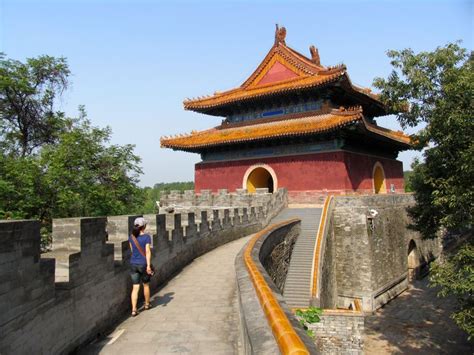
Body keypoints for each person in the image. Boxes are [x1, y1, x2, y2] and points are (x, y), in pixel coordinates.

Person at [129, 217, 153, 316]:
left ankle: (134, 309)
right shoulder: (146, 237)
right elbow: (147, 252)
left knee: (135, 287)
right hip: (143, 264)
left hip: (133, 264)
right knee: (146, 285)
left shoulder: (131, 237)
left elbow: (132, 250)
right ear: (144, 226)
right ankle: (147, 304)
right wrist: (148, 265)